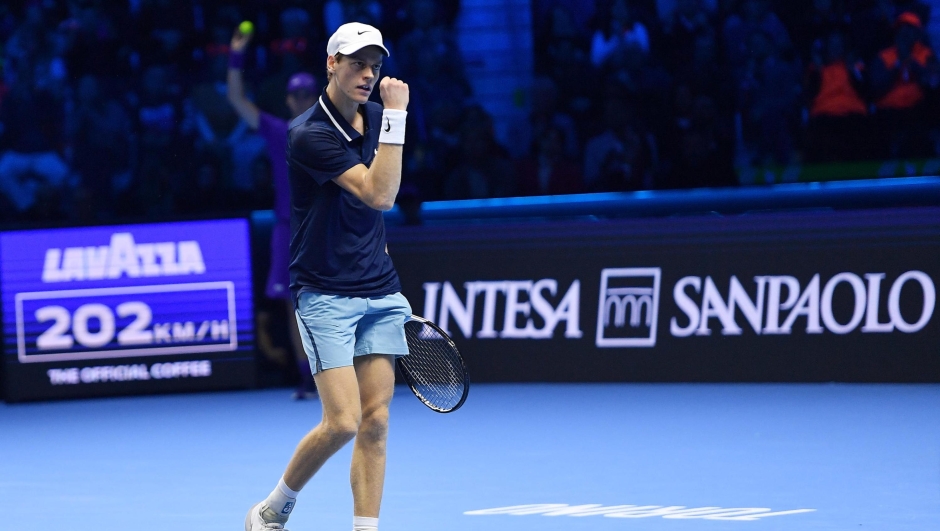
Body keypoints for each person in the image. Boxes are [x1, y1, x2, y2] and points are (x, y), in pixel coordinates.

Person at [245, 22, 411, 531]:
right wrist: (399, 118)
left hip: (379, 289)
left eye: (375, 65)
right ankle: (273, 508)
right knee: (343, 421)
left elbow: (378, 207)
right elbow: (380, 195)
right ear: (331, 65)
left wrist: (391, 120)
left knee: (377, 422)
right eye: (357, 63)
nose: (368, 74)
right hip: (324, 295)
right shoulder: (308, 134)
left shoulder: (379, 117)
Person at [226, 24, 318, 399]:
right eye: (296, 96)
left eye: (308, 95)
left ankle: (350, 377)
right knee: (295, 308)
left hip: (326, 230)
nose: (301, 100)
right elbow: (235, 99)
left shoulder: (338, 130)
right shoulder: (277, 130)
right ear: (288, 101)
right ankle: (305, 378)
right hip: (287, 228)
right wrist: (236, 55)